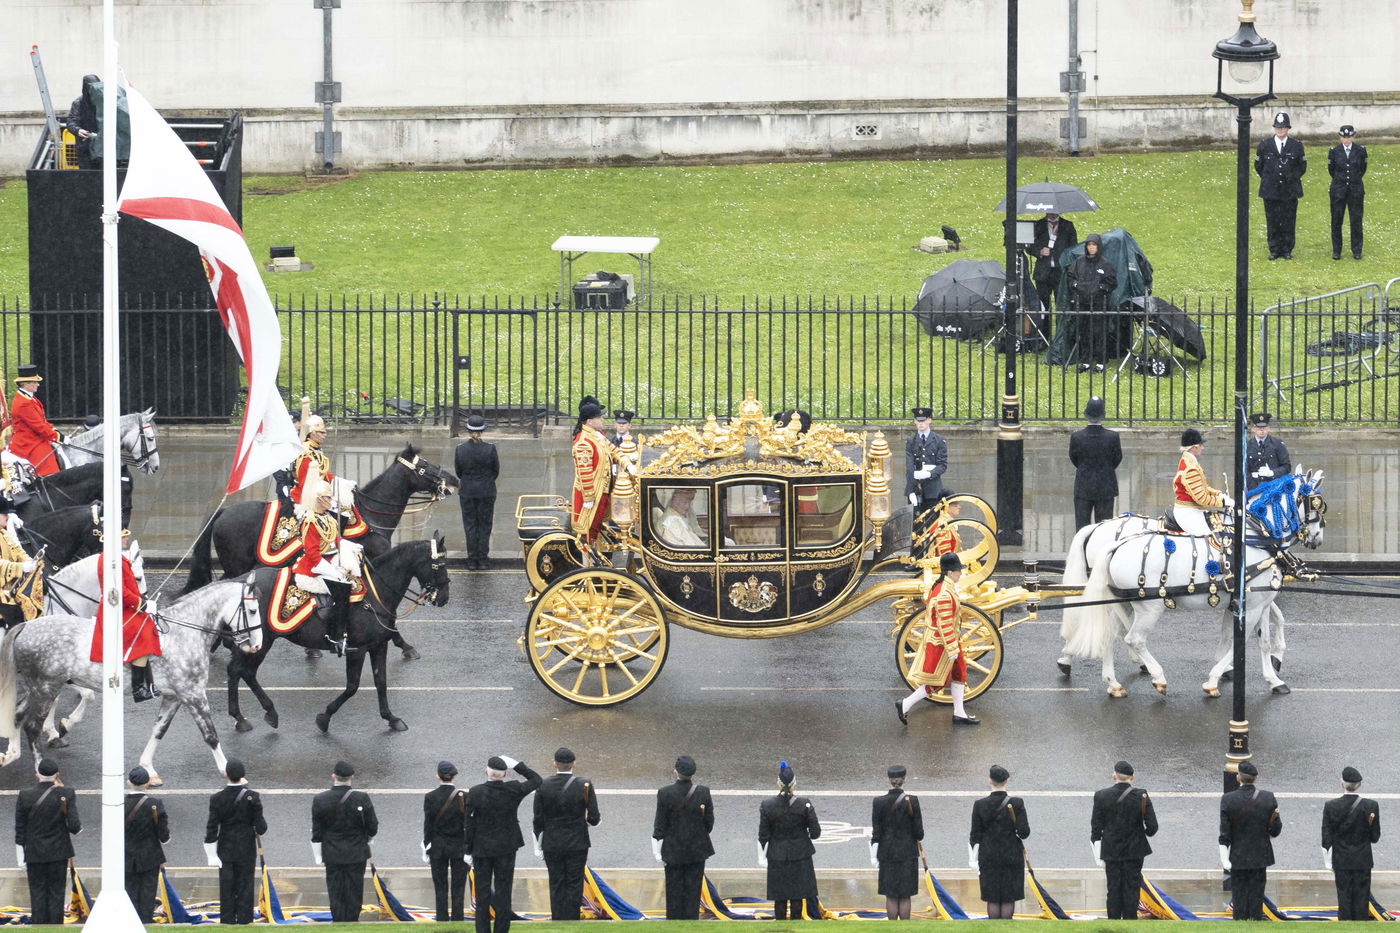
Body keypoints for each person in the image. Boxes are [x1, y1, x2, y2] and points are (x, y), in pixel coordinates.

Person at [896, 552, 979, 726]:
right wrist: (952, 648)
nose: (960, 573)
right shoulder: (944, 593)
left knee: (959, 673)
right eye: (958, 571)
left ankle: (959, 713)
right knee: (936, 683)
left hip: (946, 642)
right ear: (950, 573)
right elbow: (945, 624)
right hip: (942, 644)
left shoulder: (943, 587)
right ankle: (905, 704)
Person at [465, 755, 542, 933]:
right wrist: (517, 764)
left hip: (481, 848)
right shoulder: (513, 789)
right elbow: (536, 780)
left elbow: (469, 824)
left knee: (482, 894)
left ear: (487, 771)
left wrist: (467, 849)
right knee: (504, 891)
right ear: (505, 774)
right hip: (506, 847)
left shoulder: (475, 792)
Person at [89, 530, 161, 702]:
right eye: (122, 537)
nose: (126, 538)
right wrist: (143, 604)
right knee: (144, 633)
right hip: (119, 608)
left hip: (125, 606)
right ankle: (138, 689)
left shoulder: (115, 558)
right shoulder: (111, 561)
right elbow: (120, 592)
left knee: (146, 624)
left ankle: (149, 683)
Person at [533, 747, 601, 921]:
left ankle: (558, 917)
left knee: (556, 882)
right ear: (574, 764)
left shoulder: (543, 785)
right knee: (574, 882)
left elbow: (538, 820)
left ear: (554, 763)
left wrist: (538, 846)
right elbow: (594, 818)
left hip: (552, 842)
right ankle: (572, 919)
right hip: (577, 841)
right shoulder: (584, 784)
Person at [311, 760, 379, 924]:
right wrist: (366, 838)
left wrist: (319, 854)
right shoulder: (361, 798)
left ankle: (338, 921)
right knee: (354, 889)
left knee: (335, 890)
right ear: (352, 777)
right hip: (356, 853)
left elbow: (317, 832)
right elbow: (372, 827)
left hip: (332, 853)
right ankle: (352, 920)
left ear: (333, 776)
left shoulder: (320, 799)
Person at [15, 758, 80, 926]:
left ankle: (38, 925)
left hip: (34, 853)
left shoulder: (25, 795)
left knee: (37, 893)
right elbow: (74, 827)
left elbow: (20, 829)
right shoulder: (67, 794)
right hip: (59, 853)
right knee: (57, 893)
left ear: (37, 775)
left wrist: (20, 855)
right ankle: (55, 926)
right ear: (56, 775)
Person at [1090, 760, 1158, 920]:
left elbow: (1095, 828)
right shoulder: (1141, 796)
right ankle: (1130, 920)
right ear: (1132, 777)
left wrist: (1098, 852)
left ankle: (1113, 920)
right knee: (1132, 887)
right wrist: (1145, 831)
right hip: (1135, 850)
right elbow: (1152, 827)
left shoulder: (1101, 795)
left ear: (1114, 776)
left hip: (1111, 849)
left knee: (1113, 887)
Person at [292, 477, 352, 656]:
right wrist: (334, 572)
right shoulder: (311, 521)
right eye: (327, 498)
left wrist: (352, 549)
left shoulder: (326, 517)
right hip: (313, 568)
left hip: (327, 561)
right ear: (318, 499)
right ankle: (336, 637)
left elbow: (335, 541)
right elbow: (312, 554)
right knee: (342, 589)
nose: (331, 501)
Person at [204, 758, 267, 926]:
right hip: (246, 849)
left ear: (226, 775)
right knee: (246, 885)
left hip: (225, 848)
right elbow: (261, 828)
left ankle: (227, 920)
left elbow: (211, 828)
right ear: (243, 776)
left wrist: (211, 854)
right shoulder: (252, 797)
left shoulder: (216, 798)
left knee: (226, 886)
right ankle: (245, 919)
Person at [652, 754, 714, 920]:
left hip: (672, 849)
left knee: (673, 890)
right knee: (693, 891)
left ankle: (674, 920)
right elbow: (709, 823)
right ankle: (690, 920)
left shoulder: (664, 793)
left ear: (675, 772)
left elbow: (660, 825)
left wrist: (658, 852)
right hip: (696, 849)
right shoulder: (703, 792)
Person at [758, 761, 821, 921]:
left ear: (778, 783)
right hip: (800, 855)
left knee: (780, 896)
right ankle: (796, 924)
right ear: (795, 783)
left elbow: (763, 835)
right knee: (797, 896)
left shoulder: (767, 805)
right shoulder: (804, 803)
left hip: (777, 855)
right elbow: (815, 833)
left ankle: (780, 926)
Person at [1219, 760, 1282, 921]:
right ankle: (1255, 919)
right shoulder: (1268, 798)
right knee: (1257, 894)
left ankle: (1240, 920)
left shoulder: (1227, 799)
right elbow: (1276, 830)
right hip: (1260, 855)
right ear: (1256, 778)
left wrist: (1224, 859)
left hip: (1238, 855)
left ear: (1238, 777)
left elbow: (1225, 834)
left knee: (1239, 894)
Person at [969, 764, 1030, 919]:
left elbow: (975, 835)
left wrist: (973, 858)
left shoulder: (980, 804)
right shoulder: (1017, 803)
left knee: (993, 897)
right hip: (1011, 854)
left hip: (988, 855)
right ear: (1006, 781)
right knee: (1009, 896)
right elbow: (1024, 833)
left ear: (990, 780)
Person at [1322, 766, 1381, 921]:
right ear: (1360, 784)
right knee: (1362, 896)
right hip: (1362, 859)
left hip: (1341, 859)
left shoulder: (1331, 806)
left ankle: (1345, 922)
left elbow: (1326, 838)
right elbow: (1375, 837)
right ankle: (1361, 921)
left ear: (1342, 784)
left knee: (1344, 895)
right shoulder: (1371, 806)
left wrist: (1328, 863)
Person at [871, 764, 924, 920]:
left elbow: (877, 833)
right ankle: (905, 928)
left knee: (891, 895)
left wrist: (874, 856)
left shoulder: (878, 802)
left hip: (887, 853)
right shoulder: (912, 801)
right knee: (905, 895)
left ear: (888, 780)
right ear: (904, 780)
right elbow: (919, 834)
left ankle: (892, 927)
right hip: (908, 853)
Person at [1255, 111, 1307, 260]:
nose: (1280, 130)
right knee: (1272, 220)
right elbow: (1259, 166)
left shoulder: (1296, 146)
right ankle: (1274, 249)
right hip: (1270, 190)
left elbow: (1301, 167)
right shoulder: (1265, 145)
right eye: (1278, 127)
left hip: (1290, 190)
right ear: (1274, 128)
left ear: (1288, 128)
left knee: (1289, 219)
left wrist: (1290, 179)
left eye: (1283, 127)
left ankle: (1287, 249)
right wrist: (1270, 180)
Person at [423, 761, 469, 923]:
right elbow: (468, 825)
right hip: (459, 847)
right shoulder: (463, 796)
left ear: (438, 776)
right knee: (459, 887)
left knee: (440, 886)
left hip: (438, 847)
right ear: (454, 776)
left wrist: (427, 845)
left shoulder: (430, 797)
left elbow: (428, 825)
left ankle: (441, 918)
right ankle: (458, 918)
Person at [1065, 233, 1118, 372]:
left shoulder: (1105, 264)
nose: (1091, 247)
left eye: (1094, 245)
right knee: (1083, 332)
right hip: (1082, 303)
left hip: (1099, 303)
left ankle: (1100, 362)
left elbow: (1112, 282)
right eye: (1089, 245)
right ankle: (1086, 361)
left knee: (1099, 333)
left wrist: (1101, 288)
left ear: (1098, 246)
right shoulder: (1079, 262)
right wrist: (1076, 286)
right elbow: (1070, 278)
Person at [124, 765, 170, 924]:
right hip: (150, 855)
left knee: (129, 890)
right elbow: (164, 835)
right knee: (148, 891)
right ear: (148, 782)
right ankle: (146, 920)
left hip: (126, 855)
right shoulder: (155, 804)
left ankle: (131, 921)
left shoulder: (120, 804)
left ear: (128, 782)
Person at [454, 414, 499, 570]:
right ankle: (483, 559)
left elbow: (458, 472)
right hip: (486, 491)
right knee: (485, 525)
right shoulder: (490, 448)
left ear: (468, 431)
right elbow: (495, 471)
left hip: (467, 491)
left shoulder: (460, 450)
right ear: (482, 431)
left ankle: (472, 560)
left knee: (470, 525)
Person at [1069, 396, 1122, 529]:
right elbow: (1117, 459)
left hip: (1084, 486)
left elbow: (1074, 458)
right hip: (1106, 486)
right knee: (1104, 529)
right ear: (1102, 415)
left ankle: (1083, 550)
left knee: (1082, 528)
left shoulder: (1077, 437)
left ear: (1086, 414)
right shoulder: (1113, 437)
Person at [570, 396, 616, 546]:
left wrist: (628, 463)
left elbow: (612, 449)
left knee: (595, 526)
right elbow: (585, 473)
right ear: (590, 421)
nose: (602, 419)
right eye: (599, 417)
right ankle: (587, 561)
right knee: (588, 530)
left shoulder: (596, 435)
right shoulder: (584, 442)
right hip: (592, 493)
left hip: (602, 489)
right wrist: (588, 498)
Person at [1171, 428, 1232, 537]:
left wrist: (1218, 494)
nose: (1202, 448)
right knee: (1209, 541)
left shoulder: (1190, 461)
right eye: (1200, 445)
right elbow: (1202, 498)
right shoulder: (1191, 468)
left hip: (1193, 509)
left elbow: (1203, 487)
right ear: (1194, 447)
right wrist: (1222, 502)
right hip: (1188, 512)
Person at [8, 365, 65, 477]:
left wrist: (55, 431)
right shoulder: (24, 403)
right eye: (35, 382)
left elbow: (42, 421)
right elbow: (39, 427)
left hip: (36, 438)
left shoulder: (29, 398)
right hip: (29, 442)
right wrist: (58, 438)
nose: (38, 384)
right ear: (25, 384)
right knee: (50, 472)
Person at [1027, 212, 1078, 321]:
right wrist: (1039, 251)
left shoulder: (1068, 226)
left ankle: (1061, 333)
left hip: (1060, 272)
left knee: (1062, 305)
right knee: (1043, 306)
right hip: (1043, 272)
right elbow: (1029, 246)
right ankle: (1044, 334)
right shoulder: (1038, 225)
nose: (1053, 213)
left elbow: (1074, 247)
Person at [1328, 125, 1367, 260]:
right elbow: (1332, 170)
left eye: (1349, 137)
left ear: (1352, 136)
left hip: (1355, 190)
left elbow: (1362, 169)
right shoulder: (1334, 151)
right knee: (1337, 220)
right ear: (1340, 137)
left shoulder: (1361, 151)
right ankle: (1337, 250)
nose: (1346, 139)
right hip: (1338, 190)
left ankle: (1356, 250)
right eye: (1344, 137)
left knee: (1356, 220)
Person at [0, 497, 39, 629]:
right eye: (5, 514)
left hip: (9, 589)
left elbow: (19, 552)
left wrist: (31, 562)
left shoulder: (5, 533)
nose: (8, 517)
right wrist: (21, 567)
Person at [904, 408, 948, 520]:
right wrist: (910, 490)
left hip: (932, 489)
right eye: (918, 421)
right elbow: (909, 467)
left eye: (923, 421)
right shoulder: (911, 441)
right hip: (916, 488)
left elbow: (942, 465)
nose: (921, 424)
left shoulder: (939, 441)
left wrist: (929, 474)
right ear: (915, 421)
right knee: (915, 525)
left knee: (932, 522)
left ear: (929, 420)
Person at [289, 413, 338, 510]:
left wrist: (338, 482)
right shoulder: (306, 452)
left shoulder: (316, 449)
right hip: (306, 495)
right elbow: (306, 480)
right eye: (322, 432)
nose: (325, 435)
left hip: (320, 491)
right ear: (313, 433)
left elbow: (322, 473)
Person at [1246, 412, 1291, 490]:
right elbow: (1243, 470)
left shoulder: (1277, 444)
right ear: (1253, 429)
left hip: (1273, 486)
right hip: (1253, 487)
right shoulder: (1247, 446)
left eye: (1264, 427)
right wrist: (1252, 485)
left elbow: (1286, 467)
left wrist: (1272, 473)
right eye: (1259, 428)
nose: (1262, 430)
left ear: (1268, 428)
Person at [65, 74, 101, 170]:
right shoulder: (79, 103)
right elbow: (71, 121)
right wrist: (77, 130)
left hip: (102, 147)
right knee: (87, 175)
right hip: (85, 146)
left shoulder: (104, 101)